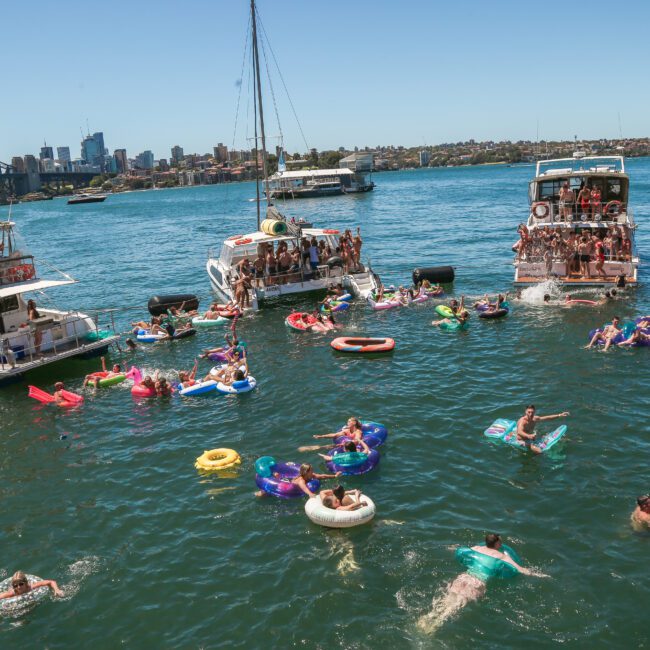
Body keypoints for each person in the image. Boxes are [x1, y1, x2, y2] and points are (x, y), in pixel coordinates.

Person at [417, 533, 548, 634]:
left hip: (464, 577)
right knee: (455, 606)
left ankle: (427, 617)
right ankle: (435, 624)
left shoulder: (477, 548)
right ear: (497, 544)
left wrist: (450, 548)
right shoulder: (501, 556)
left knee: (447, 599)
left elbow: (461, 550)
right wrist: (539, 574)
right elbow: (520, 569)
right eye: (500, 541)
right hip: (477, 583)